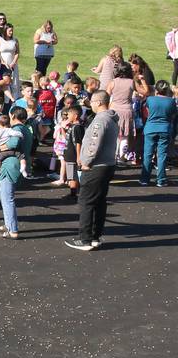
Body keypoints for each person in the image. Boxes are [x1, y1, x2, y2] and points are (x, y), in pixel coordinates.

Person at [68, 90, 118, 251]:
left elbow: (93, 144)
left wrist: (87, 162)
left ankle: (85, 239)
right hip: (107, 164)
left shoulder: (100, 120)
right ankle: (95, 236)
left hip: (96, 166)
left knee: (87, 202)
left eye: (92, 102)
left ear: (98, 102)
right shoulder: (111, 119)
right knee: (99, 202)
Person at [141, 81, 175, 186]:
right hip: (165, 129)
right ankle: (161, 180)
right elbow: (173, 116)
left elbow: (146, 113)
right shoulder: (171, 101)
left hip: (150, 128)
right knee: (162, 155)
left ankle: (144, 179)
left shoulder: (150, 99)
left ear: (156, 90)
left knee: (147, 154)